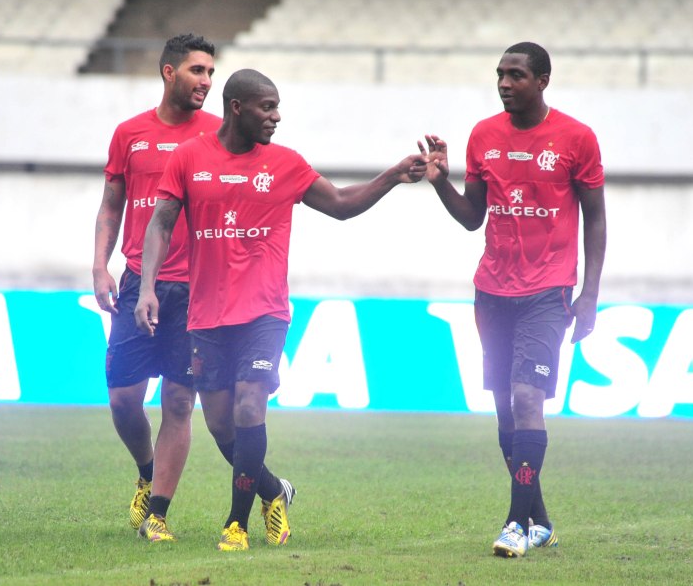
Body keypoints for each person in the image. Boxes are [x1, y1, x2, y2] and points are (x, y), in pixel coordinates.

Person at [135, 68, 428, 551]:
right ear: (236, 108)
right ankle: (273, 491)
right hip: (206, 314)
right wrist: (147, 287)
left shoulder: (285, 163)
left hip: (264, 312)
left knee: (252, 403)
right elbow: (160, 224)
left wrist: (394, 175)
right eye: (266, 107)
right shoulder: (189, 158)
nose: (276, 116)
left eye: (276, 107)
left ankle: (236, 523)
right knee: (221, 426)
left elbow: (340, 204)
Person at [420, 42, 606, 558]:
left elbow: (596, 217)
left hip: (548, 292)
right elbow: (471, 217)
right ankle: (539, 519)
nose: (504, 83)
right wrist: (439, 182)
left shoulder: (576, 138)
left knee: (528, 399)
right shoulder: (483, 136)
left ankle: (516, 522)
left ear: (542, 80)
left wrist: (588, 293)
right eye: (500, 74)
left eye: (516, 75)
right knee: (505, 408)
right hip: (492, 290)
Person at [92, 33, 223, 541]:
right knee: (124, 399)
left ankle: (158, 515)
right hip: (137, 282)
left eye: (211, 72)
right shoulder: (130, 134)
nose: (206, 82)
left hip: (196, 289)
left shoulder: (219, 134)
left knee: (178, 402)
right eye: (197, 71)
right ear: (169, 72)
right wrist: (99, 267)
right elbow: (111, 205)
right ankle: (147, 471)